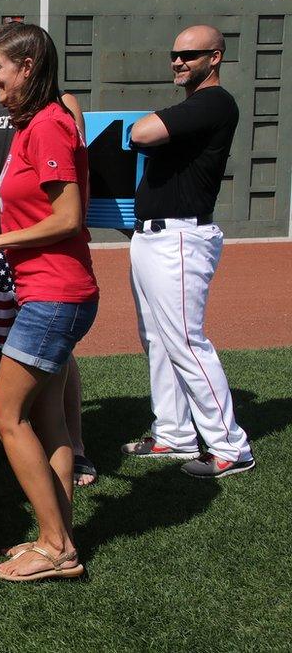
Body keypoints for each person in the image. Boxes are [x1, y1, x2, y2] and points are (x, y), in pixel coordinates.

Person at [0, 23, 98, 581]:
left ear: (28, 67)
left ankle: (58, 548)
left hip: (55, 296)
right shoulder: (32, 127)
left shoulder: (51, 126)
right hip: (52, 294)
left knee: (3, 414)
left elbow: (67, 218)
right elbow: (24, 208)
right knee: (47, 419)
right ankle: (54, 533)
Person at [121, 24, 255, 478]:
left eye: (190, 55)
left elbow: (141, 132)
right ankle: (174, 435)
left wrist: (142, 127)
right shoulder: (192, 106)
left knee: (186, 342)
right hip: (153, 236)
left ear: (214, 57)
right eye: (174, 54)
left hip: (179, 238)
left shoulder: (214, 102)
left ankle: (230, 447)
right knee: (158, 341)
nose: (178, 61)